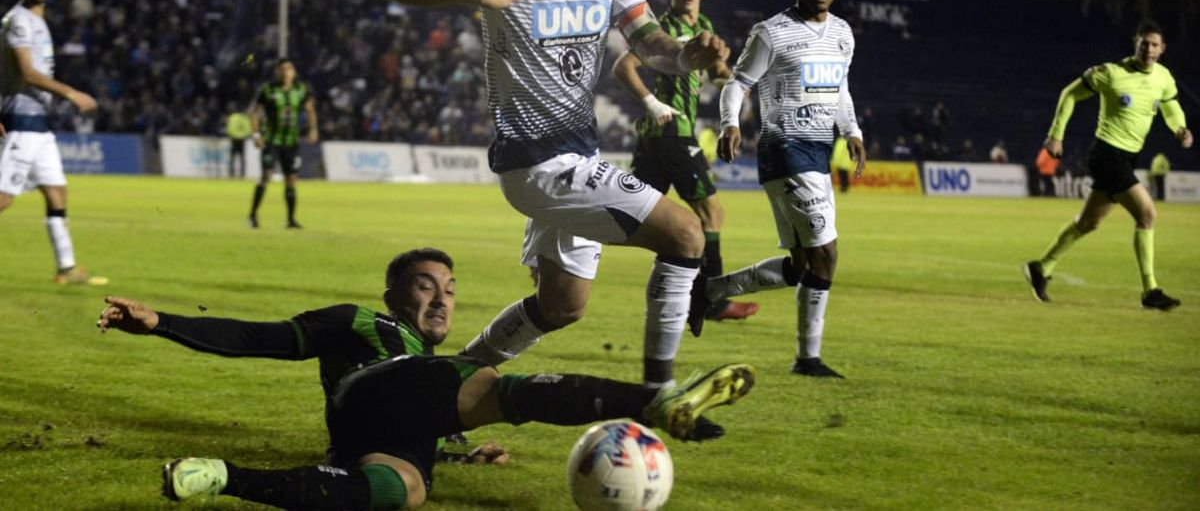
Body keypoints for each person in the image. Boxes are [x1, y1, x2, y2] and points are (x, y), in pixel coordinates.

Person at [376, 0, 729, 402]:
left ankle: (440, 389)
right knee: (687, 233)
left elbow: (648, 40)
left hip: (579, 153)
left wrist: (688, 55)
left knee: (562, 306)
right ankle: (659, 399)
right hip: (533, 161)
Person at [98, 248, 755, 509]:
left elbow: (422, 401)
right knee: (496, 385)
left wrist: (460, 445)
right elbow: (254, 338)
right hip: (372, 389)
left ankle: (220, 477)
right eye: (424, 286)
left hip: (374, 434)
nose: (441, 299)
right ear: (390, 294)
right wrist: (161, 322)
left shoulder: (431, 367)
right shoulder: (360, 323)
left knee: (402, 491)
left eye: (449, 290)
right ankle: (660, 400)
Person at [705, 0, 867, 379]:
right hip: (784, 149)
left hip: (817, 152)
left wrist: (853, 131)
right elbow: (737, 84)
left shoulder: (843, 34)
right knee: (827, 255)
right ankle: (807, 359)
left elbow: (840, 91)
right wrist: (729, 124)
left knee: (801, 268)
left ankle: (714, 291)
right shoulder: (772, 33)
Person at [611, 0, 757, 331]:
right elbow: (622, 65)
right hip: (671, 134)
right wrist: (652, 101)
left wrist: (732, 82)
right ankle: (711, 299)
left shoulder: (704, 24)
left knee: (628, 221)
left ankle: (562, 245)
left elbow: (720, 73)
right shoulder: (665, 31)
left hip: (655, 143)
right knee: (712, 214)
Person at [1023, 21, 1191, 310]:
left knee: (1088, 223)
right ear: (1135, 42)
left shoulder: (1163, 77)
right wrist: (1056, 134)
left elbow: (1169, 104)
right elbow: (1070, 93)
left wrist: (1180, 128)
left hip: (1128, 157)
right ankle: (1151, 290)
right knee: (1147, 214)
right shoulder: (1111, 73)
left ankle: (1041, 267)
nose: (1148, 49)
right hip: (1107, 154)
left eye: (1154, 44)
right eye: (1144, 43)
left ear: (1162, 49)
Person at [0, 0, 106, 285]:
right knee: (3, 198)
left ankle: (66, 268)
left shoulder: (40, 23)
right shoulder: (17, 21)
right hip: (21, 121)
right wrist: (72, 94)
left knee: (57, 192)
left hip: (40, 125)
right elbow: (27, 73)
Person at [248, 59, 318, 229]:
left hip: (291, 142)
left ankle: (291, 220)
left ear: (294, 72)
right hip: (271, 140)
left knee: (291, 179)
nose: (286, 72)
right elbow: (254, 112)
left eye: (289, 69)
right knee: (266, 176)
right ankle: (253, 215)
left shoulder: (300, 89)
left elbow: (310, 109)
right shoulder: (268, 89)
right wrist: (256, 134)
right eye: (283, 69)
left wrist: (313, 129)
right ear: (277, 72)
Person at [224, 103, 253, 178]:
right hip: (242, 139)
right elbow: (248, 130)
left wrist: (233, 134)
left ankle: (231, 174)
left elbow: (229, 129)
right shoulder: (245, 117)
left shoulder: (232, 117)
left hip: (234, 139)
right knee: (242, 158)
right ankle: (242, 174)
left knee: (232, 157)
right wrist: (243, 135)